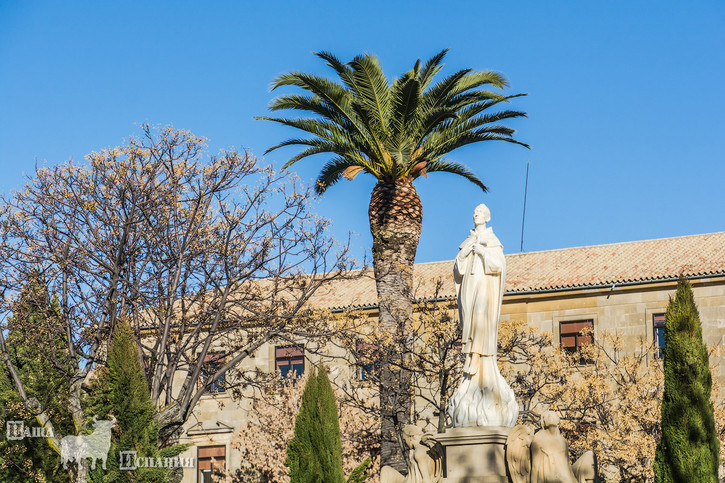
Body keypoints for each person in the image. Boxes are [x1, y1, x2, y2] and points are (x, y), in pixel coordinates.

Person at [448, 204, 518, 427]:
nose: (475, 214)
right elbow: (458, 269)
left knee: (480, 318)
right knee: (469, 320)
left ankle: (476, 359)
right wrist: (467, 252)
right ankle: (470, 357)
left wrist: (482, 252)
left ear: (488, 216)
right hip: (469, 286)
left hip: (485, 289)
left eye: (480, 212)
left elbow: (499, 266)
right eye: (474, 212)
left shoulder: (492, 240)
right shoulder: (467, 240)